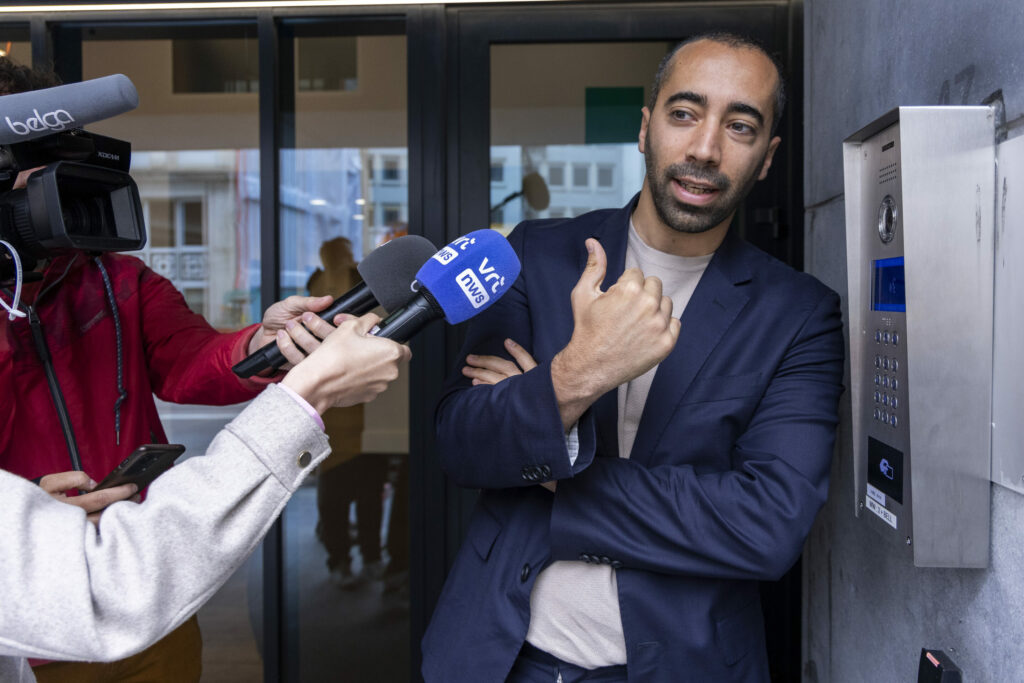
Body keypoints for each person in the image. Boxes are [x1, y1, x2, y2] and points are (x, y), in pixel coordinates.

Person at [422, 33, 845, 682]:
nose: (705, 148)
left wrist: (557, 467)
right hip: (500, 653)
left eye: (740, 126)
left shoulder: (797, 316)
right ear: (645, 129)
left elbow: (767, 526)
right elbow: (461, 441)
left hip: (681, 663)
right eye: (684, 113)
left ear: (766, 158)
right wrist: (576, 374)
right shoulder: (538, 254)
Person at [0, 56, 339, 681]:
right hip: (27, 617)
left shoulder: (117, 277)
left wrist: (262, 341)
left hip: (143, 586)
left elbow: (193, 363)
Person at [0, 311, 411, 683]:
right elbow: (108, 590)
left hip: (162, 606)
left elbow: (188, 356)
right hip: (46, 630)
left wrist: (259, 348)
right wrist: (310, 394)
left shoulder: (118, 275)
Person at [306, 236, 388, 587]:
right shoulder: (320, 282)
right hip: (343, 415)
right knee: (348, 495)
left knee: (357, 494)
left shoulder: (344, 278)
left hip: (360, 413)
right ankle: (351, 558)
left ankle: (355, 558)